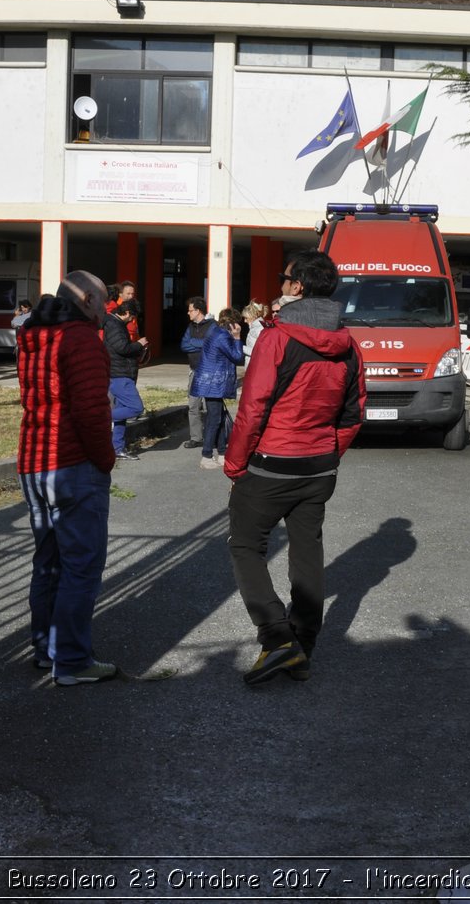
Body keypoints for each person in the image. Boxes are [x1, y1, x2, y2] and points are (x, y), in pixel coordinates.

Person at [224, 250, 365, 685]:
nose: (280, 285)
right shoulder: (349, 345)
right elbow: (353, 413)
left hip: (270, 465)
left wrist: (234, 463)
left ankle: (277, 638)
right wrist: (327, 453)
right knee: (307, 551)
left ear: (297, 287)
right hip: (319, 469)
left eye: (285, 278)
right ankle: (302, 645)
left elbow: (252, 409)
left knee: (246, 546)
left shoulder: (276, 338)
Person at [16, 270, 119, 685]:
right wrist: (106, 460)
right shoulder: (80, 341)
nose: (106, 312)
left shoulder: (33, 337)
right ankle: (73, 661)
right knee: (81, 566)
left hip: (34, 461)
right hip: (73, 465)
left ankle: (46, 650)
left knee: (49, 563)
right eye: (105, 303)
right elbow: (92, 412)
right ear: (89, 301)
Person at [190, 307, 244, 470]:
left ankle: (221, 453)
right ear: (233, 324)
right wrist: (237, 337)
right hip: (213, 382)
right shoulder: (222, 336)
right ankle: (206, 455)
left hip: (211, 382)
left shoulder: (216, 332)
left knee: (219, 417)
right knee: (214, 419)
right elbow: (237, 357)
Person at [103, 300, 149, 461]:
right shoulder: (114, 324)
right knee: (136, 408)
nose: (132, 321)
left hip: (122, 373)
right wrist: (138, 344)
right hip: (119, 374)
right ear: (128, 313)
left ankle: (118, 448)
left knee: (121, 416)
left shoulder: (114, 323)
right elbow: (122, 348)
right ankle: (100, 417)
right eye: (133, 317)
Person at [179, 298, 214, 449]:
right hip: (194, 370)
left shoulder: (213, 326)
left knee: (211, 406)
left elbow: (211, 344)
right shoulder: (190, 327)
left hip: (209, 372)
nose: (188, 313)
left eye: (190, 310)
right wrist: (199, 344)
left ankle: (213, 437)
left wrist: (194, 343)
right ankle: (196, 437)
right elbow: (183, 345)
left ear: (198, 311)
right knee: (193, 405)